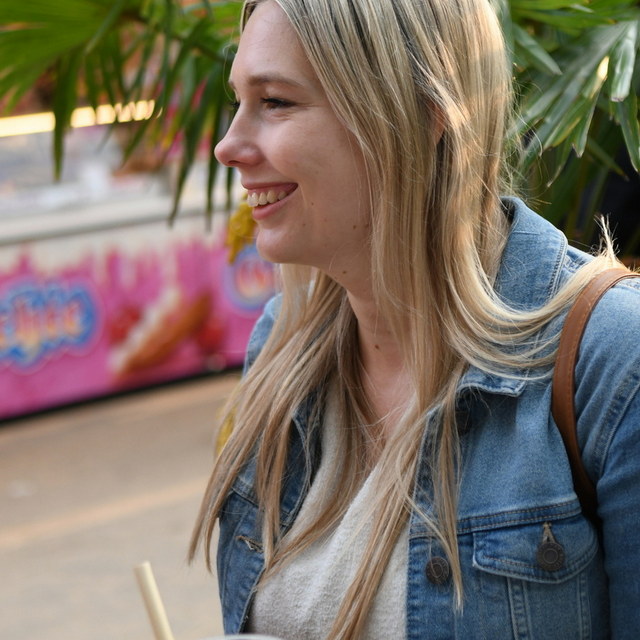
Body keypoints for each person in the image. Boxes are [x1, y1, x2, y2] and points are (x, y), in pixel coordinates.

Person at [189, 1, 640, 638]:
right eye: (239, 102)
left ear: (419, 114)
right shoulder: (280, 344)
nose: (228, 146)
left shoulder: (612, 360)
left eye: (276, 102)